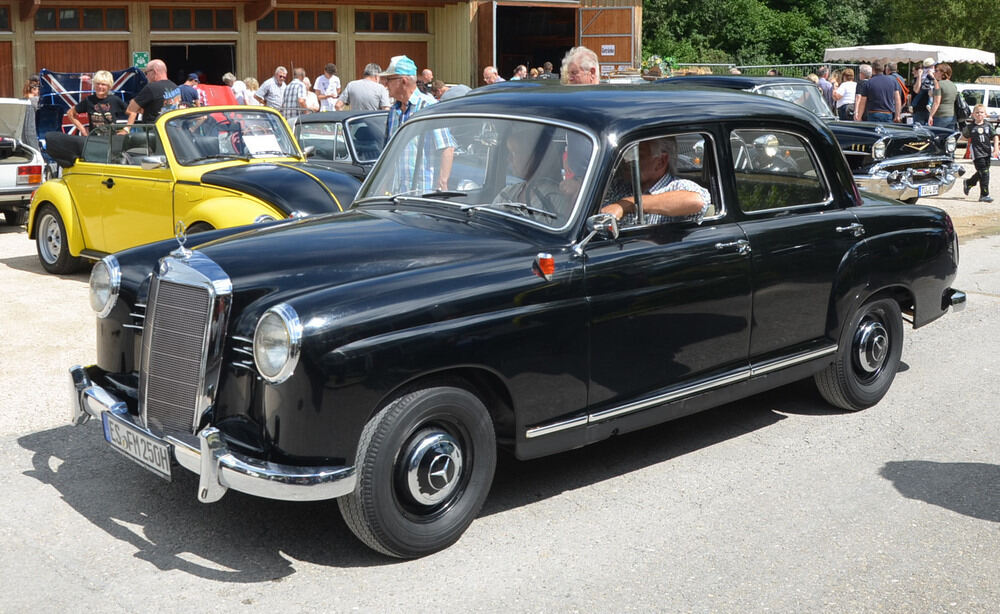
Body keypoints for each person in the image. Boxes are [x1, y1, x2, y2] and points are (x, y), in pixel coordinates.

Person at [381, 55, 454, 191]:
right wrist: (382, 187)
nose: (385, 84)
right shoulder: (393, 111)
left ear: (403, 81)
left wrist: (442, 185)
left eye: (389, 79)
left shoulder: (428, 107)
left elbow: (447, 148)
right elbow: (388, 154)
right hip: (397, 194)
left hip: (422, 193)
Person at [600, 137, 710, 226]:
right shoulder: (620, 186)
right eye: (628, 155)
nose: (627, 161)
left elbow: (696, 201)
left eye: (638, 156)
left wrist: (626, 205)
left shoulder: (677, 186)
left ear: (661, 162)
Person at [66, 70, 127, 136]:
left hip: (111, 140)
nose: (100, 86)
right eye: (97, 83)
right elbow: (70, 113)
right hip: (94, 140)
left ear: (109, 86)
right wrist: (82, 130)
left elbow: (132, 112)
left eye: (103, 84)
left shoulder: (115, 100)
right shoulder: (89, 100)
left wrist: (126, 129)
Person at [124, 59, 181, 128]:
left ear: (154, 72)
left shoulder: (151, 88)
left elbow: (131, 109)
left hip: (154, 133)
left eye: (146, 73)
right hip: (172, 130)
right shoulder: (175, 87)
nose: (146, 76)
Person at [962, 104, 999, 203]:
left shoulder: (988, 125)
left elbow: (995, 136)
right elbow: (963, 137)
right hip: (977, 153)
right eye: (977, 113)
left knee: (983, 172)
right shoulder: (970, 127)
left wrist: (996, 148)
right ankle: (984, 195)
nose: (979, 114)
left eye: (981, 112)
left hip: (987, 151)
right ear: (973, 114)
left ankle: (969, 182)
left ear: (985, 114)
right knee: (985, 173)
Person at [930, 63, 958, 131]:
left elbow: (936, 102)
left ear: (942, 73)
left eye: (936, 71)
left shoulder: (938, 84)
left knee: (935, 137)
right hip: (952, 116)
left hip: (940, 116)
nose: (934, 73)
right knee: (948, 139)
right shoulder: (953, 85)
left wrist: (930, 116)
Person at [911, 58, 938, 125]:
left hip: (931, 110)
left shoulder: (935, 77)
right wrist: (919, 76)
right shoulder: (918, 78)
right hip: (919, 109)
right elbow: (916, 90)